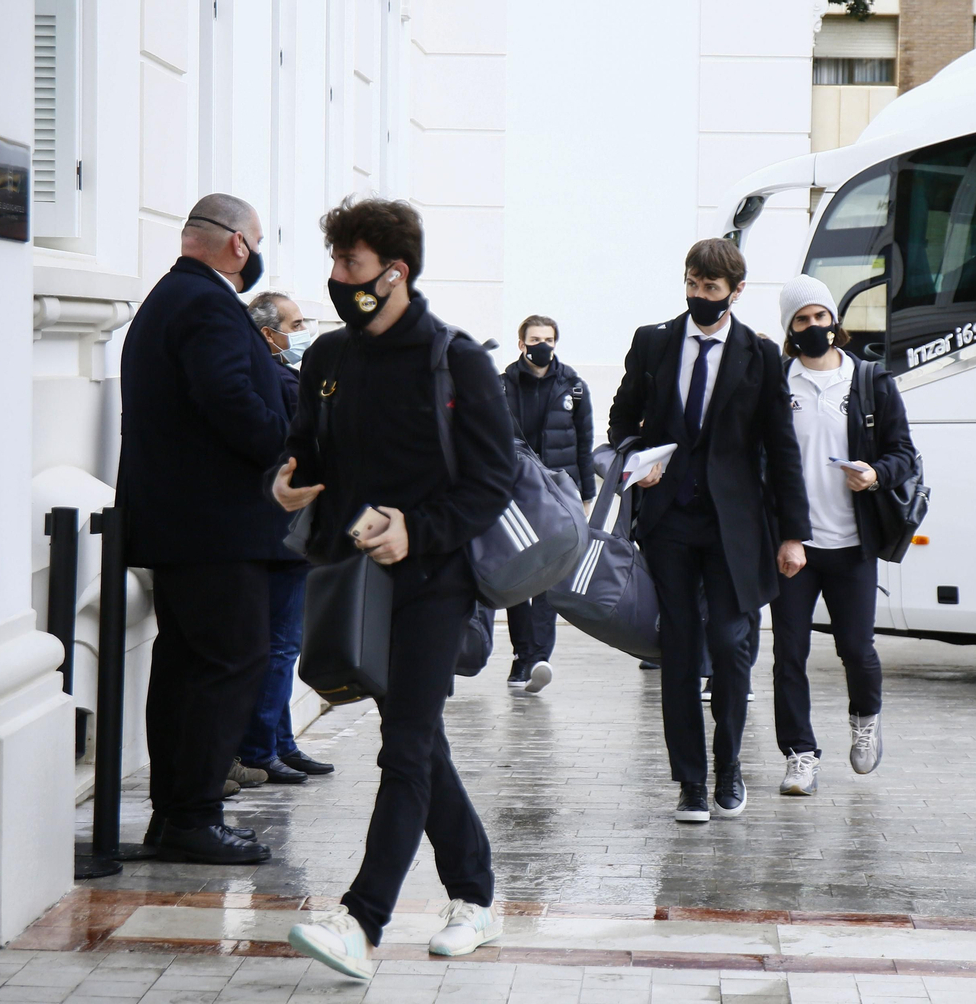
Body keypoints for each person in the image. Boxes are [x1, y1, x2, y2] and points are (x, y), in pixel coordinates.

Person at [278, 198, 516, 977]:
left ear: (395, 271)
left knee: (407, 743)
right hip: (356, 583)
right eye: (337, 263)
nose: (338, 278)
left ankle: (362, 919)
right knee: (420, 743)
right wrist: (291, 483)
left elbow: (492, 479)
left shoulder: (456, 360)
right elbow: (312, 451)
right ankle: (476, 896)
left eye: (350, 265)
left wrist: (418, 527)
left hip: (436, 581)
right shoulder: (328, 360)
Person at [608, 238, 810, 824]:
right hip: (668, 520)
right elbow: (623, 416)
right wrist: (637, 462)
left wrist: (792, 533)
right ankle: (690, 782)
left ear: (736, 292)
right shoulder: (653, 343)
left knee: (727, 643)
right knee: (678, 649)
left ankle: (730, 766)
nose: (699, 296)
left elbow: (782, 447)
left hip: (735, 526)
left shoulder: (761, 355)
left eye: (711, 288)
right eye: (692, 284)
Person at [117, 193, 286, 865]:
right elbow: (229, 398)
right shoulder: (207, 303)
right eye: (260, 239)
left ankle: (177, 815)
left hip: (184, 523)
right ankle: (192, 815)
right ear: (239, 245)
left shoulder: (173, 296)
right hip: (212, 525)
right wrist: (283, 441)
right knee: (229, 660)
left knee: (189, 665)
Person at [770, 275, 916, 796]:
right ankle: (800, 755)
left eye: (820, 316)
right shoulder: (777, 383)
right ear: (790, 328)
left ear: (835, 321)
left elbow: (905, 455)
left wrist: (875, 474)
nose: (815, 326)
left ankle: (866, 719)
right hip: (794, 547)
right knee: (789, 655)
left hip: (854, 544)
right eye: (802, 320)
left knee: (856, 649)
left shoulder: (871, 382)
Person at [236, 292, 334, 783]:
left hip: (285, 533)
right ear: (268, 334)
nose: (302, 331)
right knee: (280, 646)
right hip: (282, 532)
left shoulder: (287, 376)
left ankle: (281, 742)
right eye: (295, 324)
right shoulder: (280, 379)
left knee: (282, 643)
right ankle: (260, 748)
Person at [499, 314, 595, 693]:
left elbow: (583, 443)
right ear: (521, 343)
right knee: (518, 577)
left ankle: (538, 658)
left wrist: (587, 496)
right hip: (515, 494)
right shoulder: (500, 386)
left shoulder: (573, 386)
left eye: (549, 339)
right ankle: (521, 656)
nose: (542, 345)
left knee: (549, 577)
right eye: (535, 339)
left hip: (558, 495)